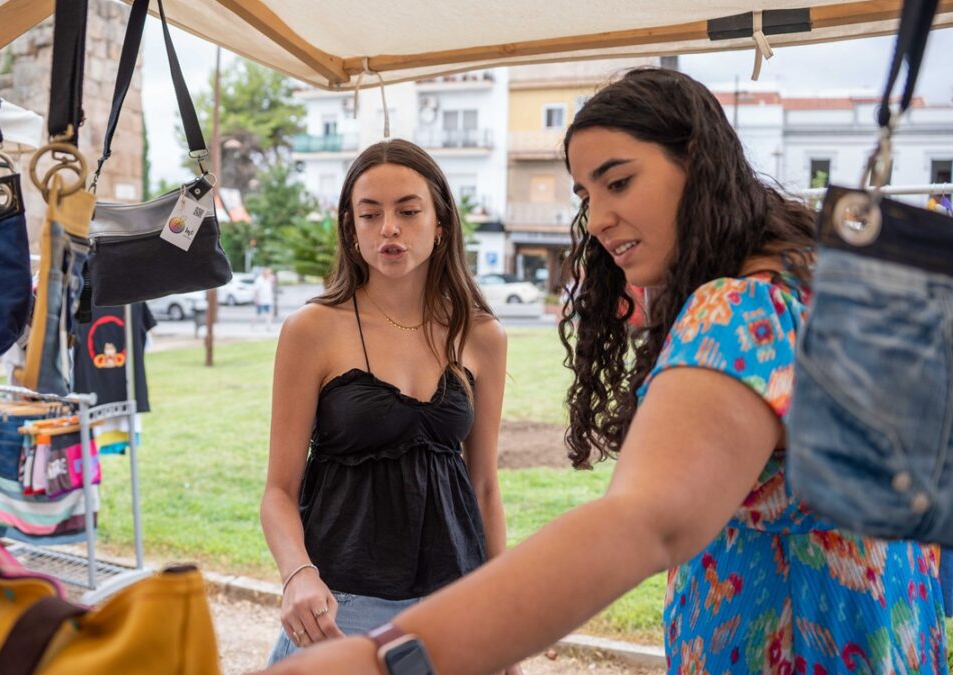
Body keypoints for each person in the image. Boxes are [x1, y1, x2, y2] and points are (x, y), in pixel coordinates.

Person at [261, 68, 947, 674]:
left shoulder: (741, 306)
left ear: (699, 162)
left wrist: (391, 657)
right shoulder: (814, 268)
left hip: (795, 638)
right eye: (588, 194)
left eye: (619, 180)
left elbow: (642, 522)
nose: (601, 216)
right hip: (884, 623)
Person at [259, 139, 519, 674]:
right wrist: (297, 574)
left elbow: (485, 486)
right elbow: (278, 492)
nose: (389, 229)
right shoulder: (312, 330)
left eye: (407, 210)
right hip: (343, 606)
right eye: (370, 214)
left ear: (441, 222)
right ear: (351, 230)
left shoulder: (483, 335)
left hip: (456, 602)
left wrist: (503, 617)